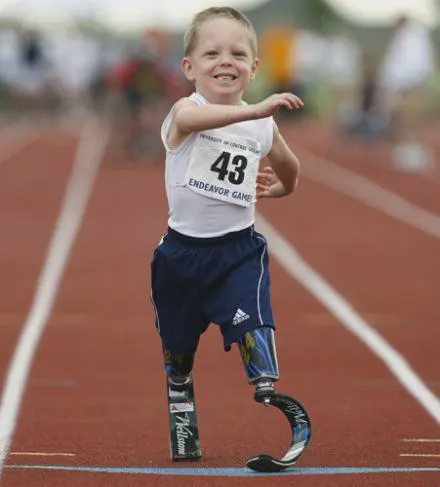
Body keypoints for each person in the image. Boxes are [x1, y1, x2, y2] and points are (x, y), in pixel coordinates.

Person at [150, 6, 310, 469]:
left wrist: (284, 187)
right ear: (189, 67)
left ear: (253, 67)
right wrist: (257, 109)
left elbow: (289, 164)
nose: (225, 61)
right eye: (212, 53)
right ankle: (179, 383)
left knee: (255, 321)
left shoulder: (261, 124)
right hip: (180, 257)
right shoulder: (184, 112)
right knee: (178, 343)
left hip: (238, 251)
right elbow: (192, 121)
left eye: (238, 54)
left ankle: (266, 384)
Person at [377, 15, 436, 170]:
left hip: (412, 84)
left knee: (413, 116)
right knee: (402, 117)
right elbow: (393, 63)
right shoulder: (401, 38)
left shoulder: (416, 37)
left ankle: (413, 146)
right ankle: (404, 146)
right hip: (402, 85)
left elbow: (420, 61)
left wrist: (417, 80)